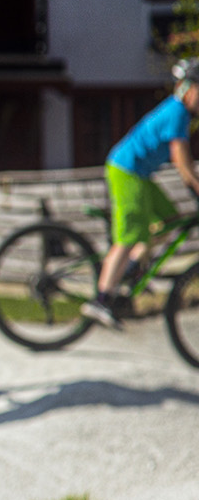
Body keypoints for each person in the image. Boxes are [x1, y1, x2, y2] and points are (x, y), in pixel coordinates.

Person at [80, 58, 199, 328]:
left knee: (170, 219)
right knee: (129, 234)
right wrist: (195, 184)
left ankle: (132, 268)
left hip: (141, 175)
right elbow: (181, 158)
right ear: (190, 88)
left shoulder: (177, 111)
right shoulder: (177, 112)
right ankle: (102, 299)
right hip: (127, 170)